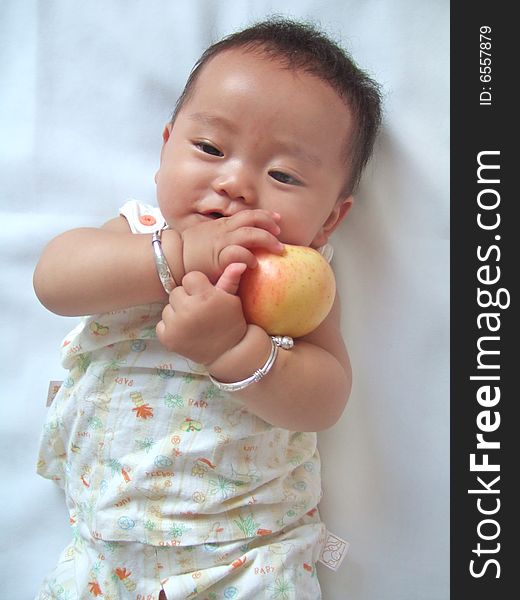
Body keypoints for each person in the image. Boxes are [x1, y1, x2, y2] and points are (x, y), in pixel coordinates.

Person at [33, 17, 381, 600]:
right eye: (210, 148)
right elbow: (55, 281)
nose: (237, 183)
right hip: (100, 554)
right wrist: (178, 253)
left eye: (284, 175)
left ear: (329, 220)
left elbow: (325, 398)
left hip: (247, 561)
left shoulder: (305, 280)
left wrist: (234, 349)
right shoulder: (141, 232)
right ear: (166, 147)